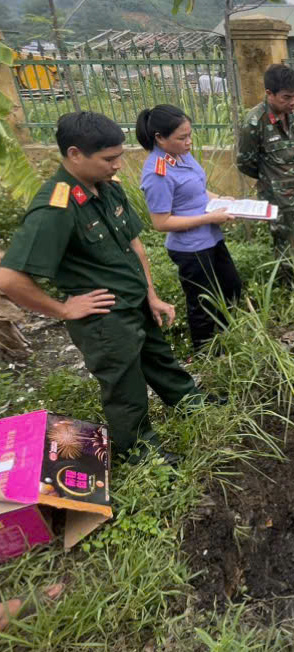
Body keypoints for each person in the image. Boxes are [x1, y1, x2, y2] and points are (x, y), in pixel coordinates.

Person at [0, 111, 202, 465]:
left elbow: (134, 244)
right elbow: (9, 278)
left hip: (135, 302)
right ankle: (140, 451)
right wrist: (63, 309)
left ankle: (190, 402)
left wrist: (151, 295)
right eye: (109, 159)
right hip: (105, 318)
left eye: (119, 156)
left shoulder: (107, 187)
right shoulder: (56, 207)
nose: (117, 165)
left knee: (159, 358)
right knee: (125, 387)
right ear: (75, 154)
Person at [137, 104, 242, 352]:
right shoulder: (157, 173)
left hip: (211, 238)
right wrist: (208, 218)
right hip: (191, 248)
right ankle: (206, 354)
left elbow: (196, 190)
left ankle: (226, 340)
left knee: (231, 287)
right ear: (160, 138)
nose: (189, 142)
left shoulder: (181, 155)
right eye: (182, 137)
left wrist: (221, 199)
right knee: (203, 302)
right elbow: (161, 222)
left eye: (189, 135)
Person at [237, 63, 294, 282]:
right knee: (287, 248)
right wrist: (272, 179)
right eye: (286, 97)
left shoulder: (291, 114)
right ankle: (292, 291)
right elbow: (245, 162)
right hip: (279, 199)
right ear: (269, 93)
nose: (293, 102)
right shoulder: (254, 122)